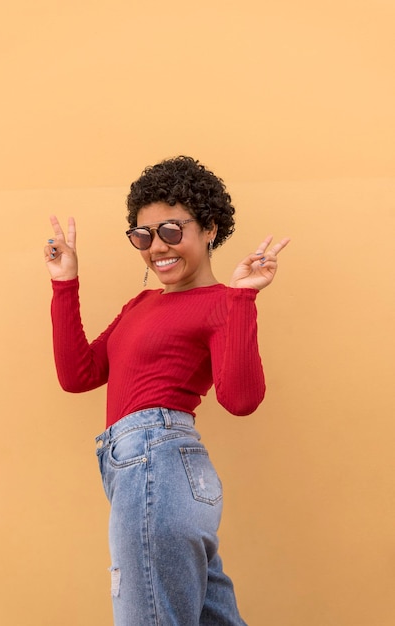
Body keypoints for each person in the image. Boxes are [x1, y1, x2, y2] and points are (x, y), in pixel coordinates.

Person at [44, 156, 289, 626]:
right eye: (143, 235)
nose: (157, 247)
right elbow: (79, 374)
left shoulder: (222, 302)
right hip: (150, 471)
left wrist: (243, 298)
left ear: (210, 228)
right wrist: (64, 283)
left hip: (157, 464)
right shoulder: (141, 303)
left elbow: (240, 400)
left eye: (172, 231)